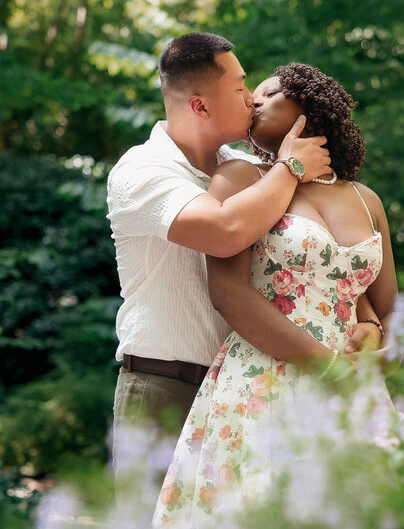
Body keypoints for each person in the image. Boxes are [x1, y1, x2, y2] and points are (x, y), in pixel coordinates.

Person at [153, 63, 398, 529]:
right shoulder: (241, 175)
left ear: (306, 106)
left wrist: (372, 330)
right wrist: (325, 365)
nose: (252, 102)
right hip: (265, 380)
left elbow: (391, 308)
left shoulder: (366, 199)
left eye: (266, 94)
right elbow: (227, 292)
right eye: (249, 93)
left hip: (354, 392)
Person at [108, 33, 333, 453]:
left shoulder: (251, 168)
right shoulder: (140, 170)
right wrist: (292, 166)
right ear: (200, 105)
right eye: (240, 87)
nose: (252, 99)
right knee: (149, 521)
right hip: (165, 390)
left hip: (246, 389)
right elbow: (223, 232)